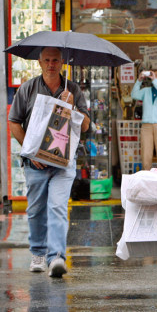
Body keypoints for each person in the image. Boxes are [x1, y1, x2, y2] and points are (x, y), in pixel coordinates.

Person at [8, 47, 91, 278]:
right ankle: (37, 253)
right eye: (47, 60)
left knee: (57, 207)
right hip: (35, 164)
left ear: (63, 62)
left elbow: (85, 127)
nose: (51, 64)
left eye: (56, 60)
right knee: (35, 209)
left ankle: (56, 257)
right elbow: (14, 122)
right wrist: (32, 152)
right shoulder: (27, 89)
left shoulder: (72, 89)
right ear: (39, 62)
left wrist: (72, 105)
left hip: (63, 163)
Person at [131, 69, 157, 170]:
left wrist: (154, 81)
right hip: (146, 125)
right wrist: (139, 80)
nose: (154, 76)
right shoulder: (146, 90)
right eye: (153, 74)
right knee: (145, 155)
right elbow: (134, 95)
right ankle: (147, 178)